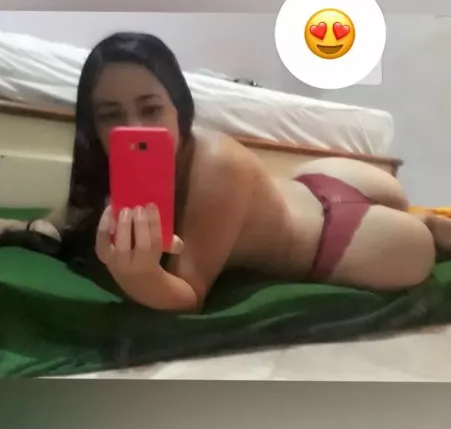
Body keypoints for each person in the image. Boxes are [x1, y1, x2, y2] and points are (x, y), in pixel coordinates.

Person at [1, 32, 451, 312]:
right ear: (92, 125)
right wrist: (18, 228)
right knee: (407, 210)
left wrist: (137, 275)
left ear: (180, 108)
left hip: (331, 237)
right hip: (306, 186)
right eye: (111, 115)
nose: (133, 127)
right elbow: (65, 221)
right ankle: (426, 220)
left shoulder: (215, 163)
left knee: (421, 240)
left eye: (151, 109)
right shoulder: (105, 168)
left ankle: (430, 226)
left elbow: (188, 295)